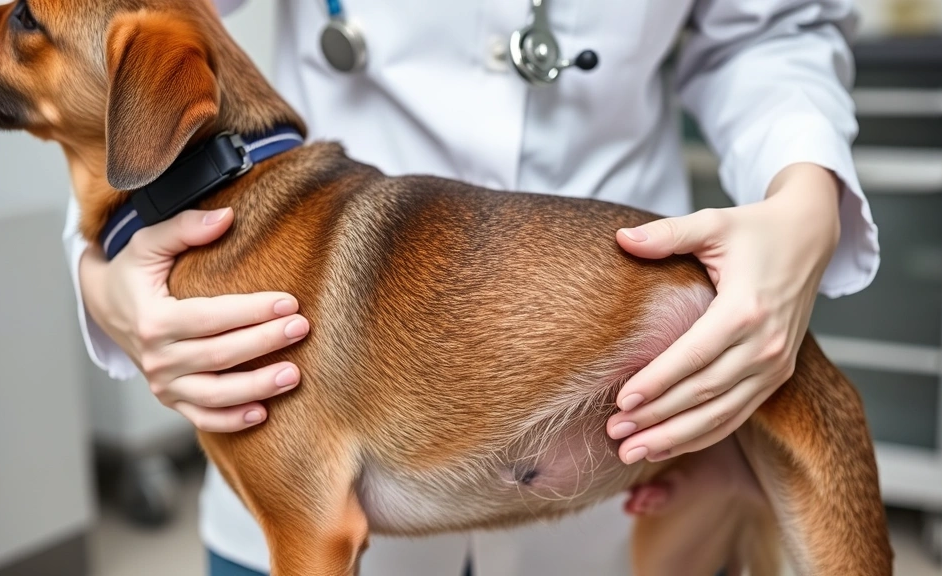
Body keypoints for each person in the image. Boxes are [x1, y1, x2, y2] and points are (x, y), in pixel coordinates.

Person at [63, 1, 879, 574]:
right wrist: (108, 280)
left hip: (676, 387)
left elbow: (768, 31)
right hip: (283, 350)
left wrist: (807, 203)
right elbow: (101, 46)